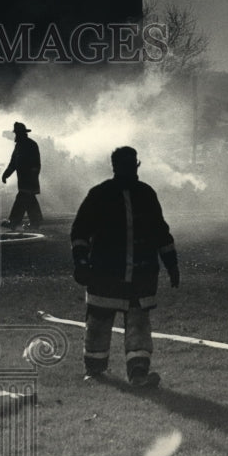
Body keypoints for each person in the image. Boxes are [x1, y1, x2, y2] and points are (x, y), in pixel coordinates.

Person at [70, 146, 179, 388]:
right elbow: (80, 232)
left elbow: (161, 232)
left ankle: (138, 372)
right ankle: (95, 370)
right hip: (106, 274)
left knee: (138, 323)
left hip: (136, 275)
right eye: (129, 165)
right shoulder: (100, 195)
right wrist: (81, 261)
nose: (132, 169)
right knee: (99, 321)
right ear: (120, 167)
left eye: (133, 165)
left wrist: (172, 264)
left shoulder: (144, 194)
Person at [1, 122, 42, 231]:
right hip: (24, 180)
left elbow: (36, 163)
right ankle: (36, 222)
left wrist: (32, 177)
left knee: (22, 199)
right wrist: (6, 174)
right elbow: (13, 163)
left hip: (29, 179)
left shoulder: (31, 145)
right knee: (29, 201)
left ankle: (14, 222)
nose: (16, 136)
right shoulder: (19, 146)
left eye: (18, 133)